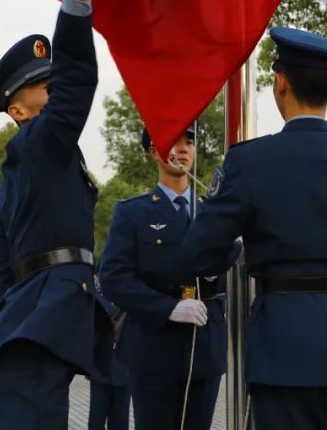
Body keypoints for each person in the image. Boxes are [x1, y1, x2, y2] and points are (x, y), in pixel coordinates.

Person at [181, 27, 327, 430]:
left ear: (280, 82)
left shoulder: (249, 162)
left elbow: (197, 254)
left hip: (286, 350)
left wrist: (242, 249)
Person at [0, 0, 112, 429]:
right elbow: (79, 82)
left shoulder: (30, 159)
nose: (55, 92)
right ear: (19, 110)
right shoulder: (39, 143)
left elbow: (2, 255)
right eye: (44, 87)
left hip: (32, 317)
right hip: (40, 313)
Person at [101, 127, 238, 430]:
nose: (183, 149)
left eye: (188, 142)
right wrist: (167, 308)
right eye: (172, 142)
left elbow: (229, 275)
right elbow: (113, 277)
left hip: (203, 345)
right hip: (154, 348)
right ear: (153, 152)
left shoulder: (214, 213)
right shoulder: (132, 213)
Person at [87, 269, 129, 430]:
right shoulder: (96, 296)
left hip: (123, 365)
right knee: (96, 420)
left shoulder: (130, 295)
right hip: (101, 365)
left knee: (120, 420)